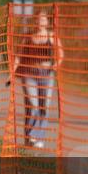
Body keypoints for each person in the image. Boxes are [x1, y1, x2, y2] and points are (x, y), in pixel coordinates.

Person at [11, 13, 61, 149]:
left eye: (43, 19)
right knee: (32, 106)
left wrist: (55, 65)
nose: (40, 21)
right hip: (29, 74)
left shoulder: (52, 37)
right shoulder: (27, 36)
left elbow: (60, 54)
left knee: (43, 107)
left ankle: (38, 136)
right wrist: (12, 72)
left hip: (46, 74)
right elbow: (18, 56)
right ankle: (30, 135)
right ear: (35, 21)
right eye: (38, 19)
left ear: (47, 21)